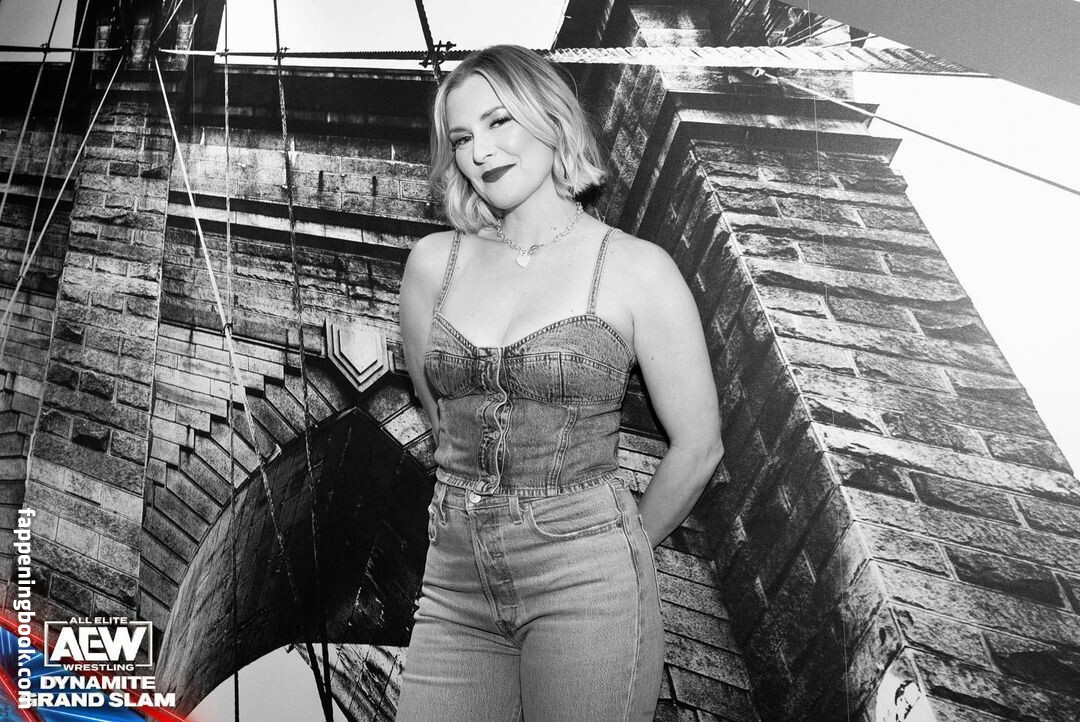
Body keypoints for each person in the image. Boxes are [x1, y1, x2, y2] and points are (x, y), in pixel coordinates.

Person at [395, 45, 723, 722]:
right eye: (462, 138)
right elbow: (442, 414)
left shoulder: (636, 269)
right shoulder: (433, 263)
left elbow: (700, 448)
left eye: (499, 122)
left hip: (585, 580)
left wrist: (614, 547)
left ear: (551, 117)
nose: (481, 151)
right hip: (453, 579)